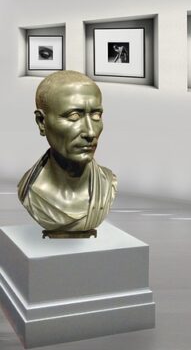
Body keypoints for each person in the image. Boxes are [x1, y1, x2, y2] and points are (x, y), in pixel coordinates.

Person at [17, 70, 118, 236]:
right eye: (74, 116)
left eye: (96, 115)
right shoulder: (29, 189)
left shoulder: (108, 183)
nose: (90, 132)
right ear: (42, 122)